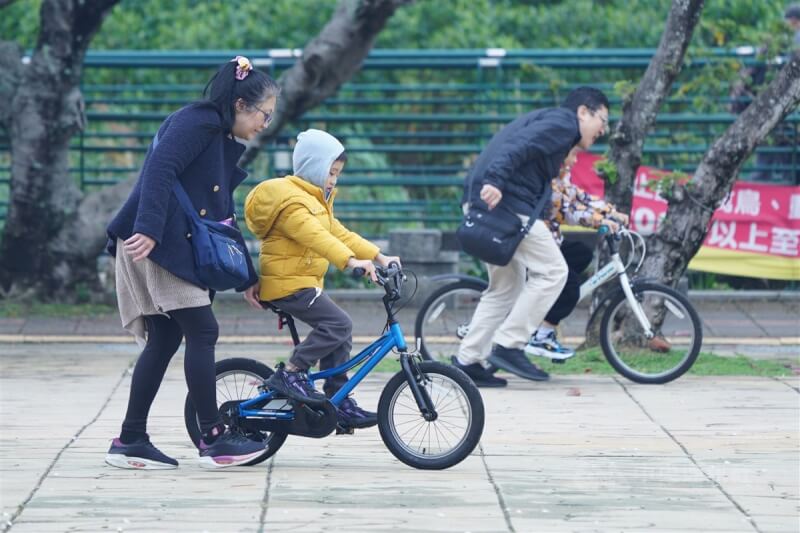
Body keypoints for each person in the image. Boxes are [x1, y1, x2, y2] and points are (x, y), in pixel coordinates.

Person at [104, 56, 279, 470]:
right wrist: (147, 228)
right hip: (155, 244)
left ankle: (130, 438)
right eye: (263, 115)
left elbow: (221, 215)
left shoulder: (219, 139)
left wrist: (247, 278)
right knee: (203, 329)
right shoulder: (197, 121)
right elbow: (159, 168)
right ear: (240, 104)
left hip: (165, 243)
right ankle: (214, 437)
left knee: (166, 340)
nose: (264, 125)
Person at [451, 86, 610, 388]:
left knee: (505, 287)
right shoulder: (564, 123)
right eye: (602, 120)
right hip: (505, 204)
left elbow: (517, 147)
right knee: (554, 271)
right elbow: (518, 147)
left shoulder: (552, 122)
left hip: (489, 202)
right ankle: (509, 345)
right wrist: (496, 181)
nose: (603, 130)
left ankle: (468, 361)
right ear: (583, 112)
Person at [243, 129, 401, 430]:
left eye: (337, 173)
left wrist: (379, 256)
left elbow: (338, 233)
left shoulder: (315, 200)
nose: (333, 180)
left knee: (341, 332)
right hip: (288, 284)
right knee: (338, 324)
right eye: (331, 172)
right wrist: (350, 261)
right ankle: (291, 372)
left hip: (301, 282)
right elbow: (316, 238)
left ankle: (336, 401)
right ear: (314, 167)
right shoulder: (292, 204)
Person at [524, 147, 629, 361]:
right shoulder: (549, 181)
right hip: (538, 245)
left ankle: (547, 303)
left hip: (551, 241)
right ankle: (542, 336)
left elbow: (580, 197)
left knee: (581, 254)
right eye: (571, 156)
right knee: (570, 287)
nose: (574, 160)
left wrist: (611, 212)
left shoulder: (562, 177)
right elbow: (568, 212)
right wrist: (601, 221)